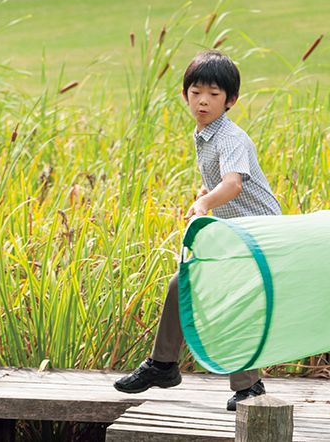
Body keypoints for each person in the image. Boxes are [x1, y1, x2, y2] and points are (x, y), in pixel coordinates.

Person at [114, 50, 281, 411]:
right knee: (182, 284)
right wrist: (208, 193)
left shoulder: (230, 137)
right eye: (195, 92)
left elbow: (234, 184)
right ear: (184, 94)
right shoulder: (205, 133)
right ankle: (163, 365)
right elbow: (223, 181)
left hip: (258, 236)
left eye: (214, 94)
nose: (203, 100)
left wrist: (206, 204)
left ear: (231, 100)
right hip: (234, 233)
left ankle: (249, 386)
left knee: (230, 298)